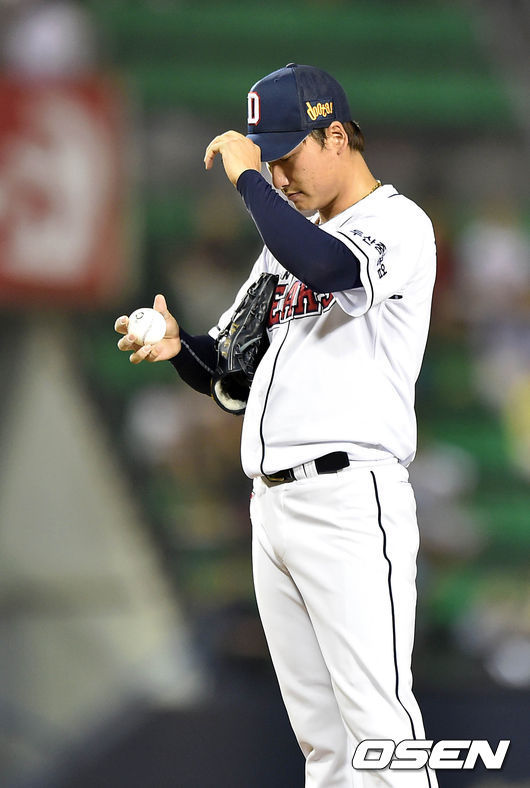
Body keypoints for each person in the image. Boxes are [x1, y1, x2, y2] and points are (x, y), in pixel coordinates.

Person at [115, 63, 438, 788]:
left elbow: (329, 269)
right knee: (324, 748)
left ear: (336, 137)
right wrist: (179, 348)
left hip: (350, 499)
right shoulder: (285, 243)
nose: (278, 175)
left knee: (380, 727)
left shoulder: (397, 224)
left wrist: (246, 181)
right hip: (274, 505)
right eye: (269, 161)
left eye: (287, 156)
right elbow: (230, 370)